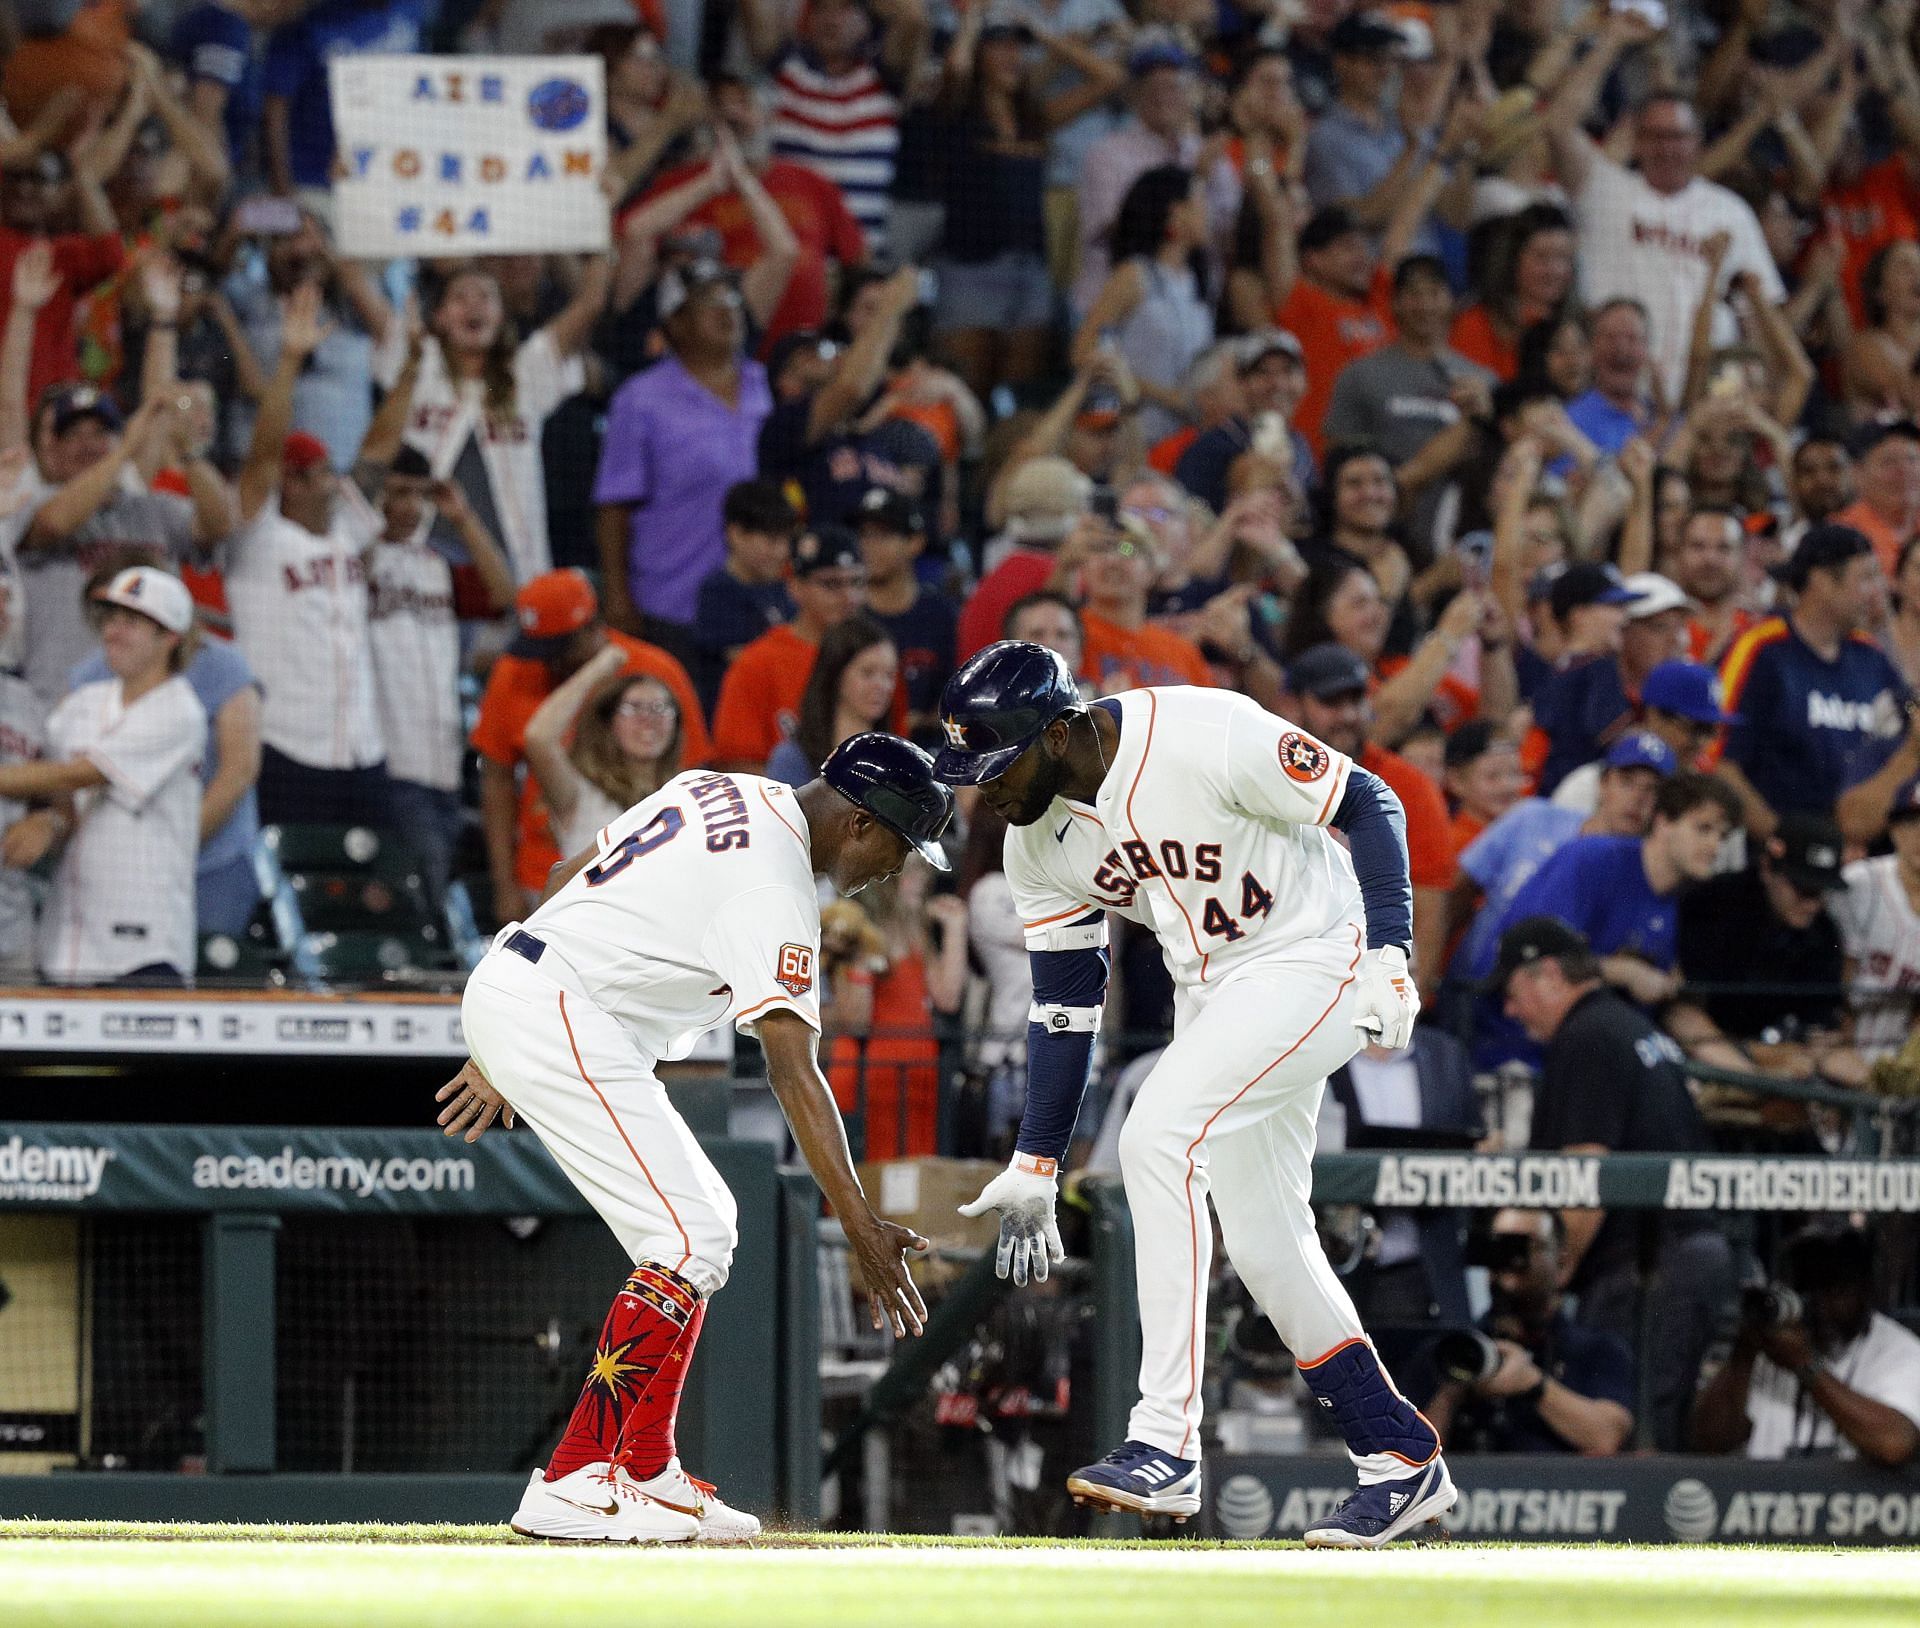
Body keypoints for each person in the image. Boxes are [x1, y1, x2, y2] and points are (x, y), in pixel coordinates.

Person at [932, 641, 1455, 1548]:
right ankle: (1399, 1457)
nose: (986, 792)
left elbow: (1368, 799)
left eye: (998, 765)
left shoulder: (1204, 730)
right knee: (1265, 1239)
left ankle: (1163, 1441)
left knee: (1155, 1139)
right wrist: (1036, 1158)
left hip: (1318, 951)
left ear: (1059, 733)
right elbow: (1064, 1005)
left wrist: (1391, 952)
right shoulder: (1034, 846)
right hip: (1216, 990)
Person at [437, 733, 950, 1541]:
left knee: (706, 1222)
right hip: (556, 1006)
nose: (898, 864)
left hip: (542, 990)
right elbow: (793, 1070)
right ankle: (574, 1475)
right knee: (687, 1236)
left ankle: (645, 1469)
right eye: (900, 842)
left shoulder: (724, 787)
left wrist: (514, 1017)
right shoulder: (773, 892)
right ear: (858, 823)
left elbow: (566, 878)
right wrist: (859, 1219)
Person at [1489, 917, 1734, 1452]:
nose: (1510, 1010)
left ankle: (1644, 1533)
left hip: (1649, 1267)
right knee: (1655, 1417)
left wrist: (1552, 1274)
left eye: (1513, 993)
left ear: (1548, 975)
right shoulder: (1631, 1027)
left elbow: (1586, 1177)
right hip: (1684, 1253)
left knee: (1633, 1426)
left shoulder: (1589, 1036)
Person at [1545, 19, 1784, 404]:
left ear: (1697, 143)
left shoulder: (1730, 211)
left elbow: (1757, 319)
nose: (1667, 148)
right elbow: (1558, 125)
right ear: (1636, 141)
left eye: (1679, 137)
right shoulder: (1606, 189)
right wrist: (1611, 41)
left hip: (1703, 401)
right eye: (1655, 136)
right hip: (1614, 394)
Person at [225, 284, 387, 830]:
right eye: (309, 474)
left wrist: (412, 368)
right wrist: (290, 360)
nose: (325, 481)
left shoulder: (348, 533)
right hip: (289, 748)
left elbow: (380, 451)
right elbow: (264, 454)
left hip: (363, 749)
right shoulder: (256, 538)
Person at [0, 567, 206, 986]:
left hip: (143, 947)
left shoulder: (178, 710)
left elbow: (72, 776)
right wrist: (48, 820)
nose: (112, 632)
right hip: (68, 939)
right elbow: (52, 794)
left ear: (170, 637)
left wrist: (49, 805)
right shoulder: (82, 705)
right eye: (110, 619)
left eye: (131, 622)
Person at [472, 569, 710, 925]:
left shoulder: (656, 672)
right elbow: (501, 775)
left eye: (559, 647)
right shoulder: (518, 669)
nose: (548, 661)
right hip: (545, 872)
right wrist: (505, 887)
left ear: (593, 628)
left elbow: (693, 774)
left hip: (655, 882)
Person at [373, 257, 608, 588]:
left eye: (485, 297)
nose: (474, 305)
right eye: (460, 297)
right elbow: (355, 279)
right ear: (438, 317)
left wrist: (596, 226)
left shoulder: (526, 372)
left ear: (502, 316)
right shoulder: (417, 363)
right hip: (425, 565)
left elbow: (591, 303)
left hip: (515, 570)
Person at [18, 388, 229, 704]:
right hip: (61, 700)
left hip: (150, 705)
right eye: (74, 435)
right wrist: (126, 451)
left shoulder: (154, 510)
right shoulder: (32, 504)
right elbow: (54, 524)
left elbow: (219, 524)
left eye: (100, 433)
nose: (88, 445)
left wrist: (189, 450)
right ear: (54, 451)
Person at [1282, 643, 1456, 999]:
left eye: (1356, 701)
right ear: (1294, 706)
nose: (1347, 715)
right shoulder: (1270, 778)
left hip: (1374, 968)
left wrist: (1410, 998)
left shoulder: (1409, 787)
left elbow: (1428, 904)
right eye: (1331, 703)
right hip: (1288, 967)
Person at [1719, 524, 1907, 838]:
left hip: (1864, 848)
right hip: (1779, 854)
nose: (1878, 591)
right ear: (1821, 581)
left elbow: (1909, 728)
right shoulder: (1760, 649)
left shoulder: (1870, 655)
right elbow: (1720, 763)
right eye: (1866, 578)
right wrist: (1783, 842)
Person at [1691, 1227, 1920, 1467]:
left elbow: (1895, 1443)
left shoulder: (1899, 1350)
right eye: (1808, 1291)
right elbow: (1710, 1441)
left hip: (1852, 1502)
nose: (1821, 1306)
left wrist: (1805, 1365)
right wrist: (1743, 1355)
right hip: (1769, 1497)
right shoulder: (1774, 1341)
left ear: (1866, 1290)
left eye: (1836, 1291)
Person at [1424, 1208, 1636, 1456]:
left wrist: (1532, 1385)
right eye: (1498, 1248)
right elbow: (1410, 1459)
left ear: (1562, 1265)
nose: (1508, 1262)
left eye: (1521, 1248)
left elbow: (1607, 1438)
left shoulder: (1598, 1351)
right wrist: (1452, 1392)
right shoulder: (1452, 1351)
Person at [1321, 256, 1495, 556]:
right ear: (1394, 303)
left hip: (1457, 528)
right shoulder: (1359, 375)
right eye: (1413, 294)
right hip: (1381, 526)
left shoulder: (1483, 382)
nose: (1424, 305)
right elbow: (1340, 459)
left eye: (1434, 293)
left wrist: (1488, 415)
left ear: (1452, 302)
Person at [710, 526, 882, 771]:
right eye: (831, 584)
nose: (849, 597)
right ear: (795, 587)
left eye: (856, 582)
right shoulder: (757, 663)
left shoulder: (877, 658)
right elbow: (738, 766)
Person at [1071, 166, 1215, 448]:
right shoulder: (1134, 276)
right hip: (1137, 433)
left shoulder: (1196, 282)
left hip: (1188, 436)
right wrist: (1163, 395)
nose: (1207, 213)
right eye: (1200, 203)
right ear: (1175, 212)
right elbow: (1083, 353)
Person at [523, 643, 684, 863]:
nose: (649, 720)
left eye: (661, 708)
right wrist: (598, 668)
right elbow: (538, 737)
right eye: (634, 707)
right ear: (608, 723)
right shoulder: (580, 794)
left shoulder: (687, 794)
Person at [1532, 572, 1690, 794]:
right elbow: (1624, 739)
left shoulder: (1561, 668)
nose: (1623, 617)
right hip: (1581, 797)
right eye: (1615, 607)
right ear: (1580, 615)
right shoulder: (1598, 668)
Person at [1547, 660, 1734, 817]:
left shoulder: (1708, 800)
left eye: (1710, 731)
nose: (1701, 743)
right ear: (1653, 716)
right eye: (1695, 728)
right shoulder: (1588, 788)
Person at [689, 479, 798, 713]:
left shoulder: (785, 589)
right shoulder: (719, 591)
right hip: (738, 715)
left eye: (786, 540)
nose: (781, 552)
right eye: (771, 540)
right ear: (736, 534)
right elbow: (745, 662)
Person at [1832, 778, 1920, 1061]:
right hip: (1836, 1052)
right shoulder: (1860, 882)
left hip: (1901, 1067)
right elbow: (1834, 981)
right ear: (1895, 831)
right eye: (1913, 824)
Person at [854, 486, 951, 737]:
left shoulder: (940, 615)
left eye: (883, 535)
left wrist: (922, 720)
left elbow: (958, 699)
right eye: (864, 535)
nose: (868, 546)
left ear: (915, 542)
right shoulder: (847, 615)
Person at [767, 615, 899, 787]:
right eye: (868, 673)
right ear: (836, 674)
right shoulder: (792, 759)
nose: (883, 686)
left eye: (889, 675)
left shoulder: (899, 759)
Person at [1829, 420, 1920, 582]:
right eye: (1889, 462)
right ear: (1857, 474)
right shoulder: (1841, 534)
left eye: (1912, 459)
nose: (1904, 471)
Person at [1565, 299, 1655, 459]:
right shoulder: (1569, 423)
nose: (1621, 348)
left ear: (1647, 349)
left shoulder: (1661, 416)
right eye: (1610, 337)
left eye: (1632, 338)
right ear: (1591, 349)